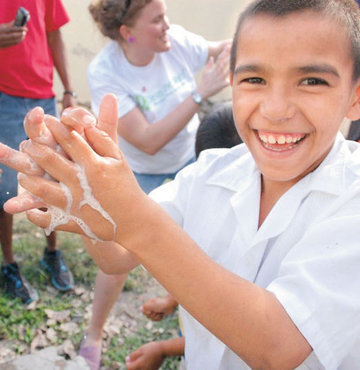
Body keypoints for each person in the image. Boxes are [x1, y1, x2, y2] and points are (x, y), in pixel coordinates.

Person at [2, 0, 360, 368]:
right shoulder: (210, 172)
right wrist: (87, 198)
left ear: (355, 96)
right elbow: (117, 256)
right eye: (255, 79)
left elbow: (278, 346)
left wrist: (130, 215)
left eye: (312, 81)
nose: (276, 108)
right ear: (232, 80)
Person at [80, 0, 230, 367]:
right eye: (157, 20)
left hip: (190, 159)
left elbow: (223, 48)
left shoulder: (175, 41)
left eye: (166, 15)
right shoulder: (106, 72)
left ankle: (178, 307)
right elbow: (146, 140)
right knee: (118, 257)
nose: (168, 26)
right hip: (140, 170)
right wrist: (200, 93)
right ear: (128, 33)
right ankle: (94, 336)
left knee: (199, 242)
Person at [126, 102, 241, 369]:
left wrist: (164, 349)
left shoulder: (244, 242)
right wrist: (172, 300)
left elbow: (226, 336)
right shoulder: (201, 207)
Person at [0, 0, 76, 304]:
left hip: (44, 95)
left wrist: (69, 89)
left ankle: (52, 252)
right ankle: (9, 265)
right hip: (3, 97)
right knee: (5, 188)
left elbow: (54, 34)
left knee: (50, 181)